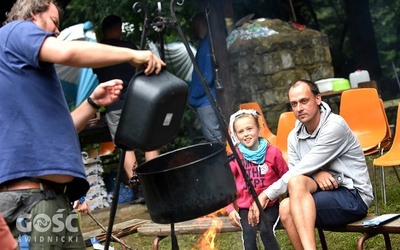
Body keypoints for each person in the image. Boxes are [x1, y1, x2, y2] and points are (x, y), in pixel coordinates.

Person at [0, 0, 165, 248]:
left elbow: (61, 132)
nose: (57, 31)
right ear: (34, 13)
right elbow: (68, 52)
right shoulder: (17, 30)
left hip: (55, 200)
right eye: (54, 22)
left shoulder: (26, 73)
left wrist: (91, 102)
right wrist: (133, 54)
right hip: (32, 200)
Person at [249, 80, 374, 249]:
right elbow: (296, 171)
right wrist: (316, 173)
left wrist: (265, 195)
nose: (299, 108)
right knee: (285, 206)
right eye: (294, 104)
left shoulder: (334, 126)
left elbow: (303, 168)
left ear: (318, 99)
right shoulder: (294, 136)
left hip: (353, 196)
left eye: (304, 101)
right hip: (322, 192)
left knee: (294, 189)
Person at [93, 15, 159, 204]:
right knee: (150, 141)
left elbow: (97, 71)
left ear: (104, 31)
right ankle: (155, 183)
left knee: (126, 147)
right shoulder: (129, 48)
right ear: (119, 28)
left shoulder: (99, 51)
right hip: (137, 101)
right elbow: (146, 69)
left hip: (114, 105)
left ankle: (139, 188)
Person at [226, 109, 288, 250]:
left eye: (249, 128)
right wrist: (230, 209)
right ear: (236, 135)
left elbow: (286, 176)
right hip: (245, 207)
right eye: (240, 131)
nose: (246, 134)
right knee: (249, 235)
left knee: (266, 232)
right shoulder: (235, 156)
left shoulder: (273, 152)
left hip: (269, 205)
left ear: (259, 129)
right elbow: (226, 184)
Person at [188, 12, 222, 143]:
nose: (193, 28)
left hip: (206, 101)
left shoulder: (208, 45)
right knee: (213, 137)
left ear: (201, 24)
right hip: (204, 100)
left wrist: (194, 95)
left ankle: (227, 163)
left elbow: (207, 77)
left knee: (215, 139)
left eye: (194, 24)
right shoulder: (204, 44)